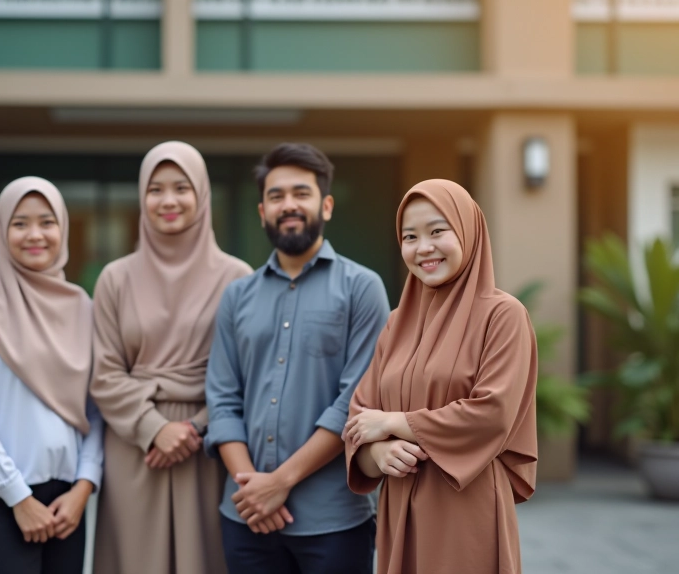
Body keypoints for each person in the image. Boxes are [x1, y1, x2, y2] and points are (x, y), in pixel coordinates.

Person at [205, 142, 389, 574]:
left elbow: (355, 402)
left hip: (334, 521)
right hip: (246, 519)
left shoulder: (363, 288)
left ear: (325, 205)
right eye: (276, 196)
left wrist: (280, 483)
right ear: (262, 211)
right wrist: (254, 488)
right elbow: (222, 398)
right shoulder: (237, 296)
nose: (288, 205)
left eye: (301, 193)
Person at [342, 179, 538, 574]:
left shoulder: (502, 315)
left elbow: (492, 413)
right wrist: (377, 454)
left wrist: (395, 423)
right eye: (410, 236)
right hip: (399, 506)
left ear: (467, 230)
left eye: (437, 231)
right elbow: (359, 418)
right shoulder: (397, 323)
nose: (423, 248)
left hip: (464, 508)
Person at [90, 141, 252, 574]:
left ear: (201, 194)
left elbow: (246, 376)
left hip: (209, 446)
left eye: (181, 187)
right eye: (155, 189)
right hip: (135, 445)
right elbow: (104, 374)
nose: (168, 201)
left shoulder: (237, 278)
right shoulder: (115, 278)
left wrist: (192, 430)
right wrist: (153, 429)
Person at [0, 177, 104, 574]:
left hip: (65, 503)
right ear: (2, 230)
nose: (35, 235)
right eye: (20, 223)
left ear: (63, 229)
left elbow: (96, 409)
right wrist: (18, 497)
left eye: (47, 222)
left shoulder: (82, 308)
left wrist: (83, 488)